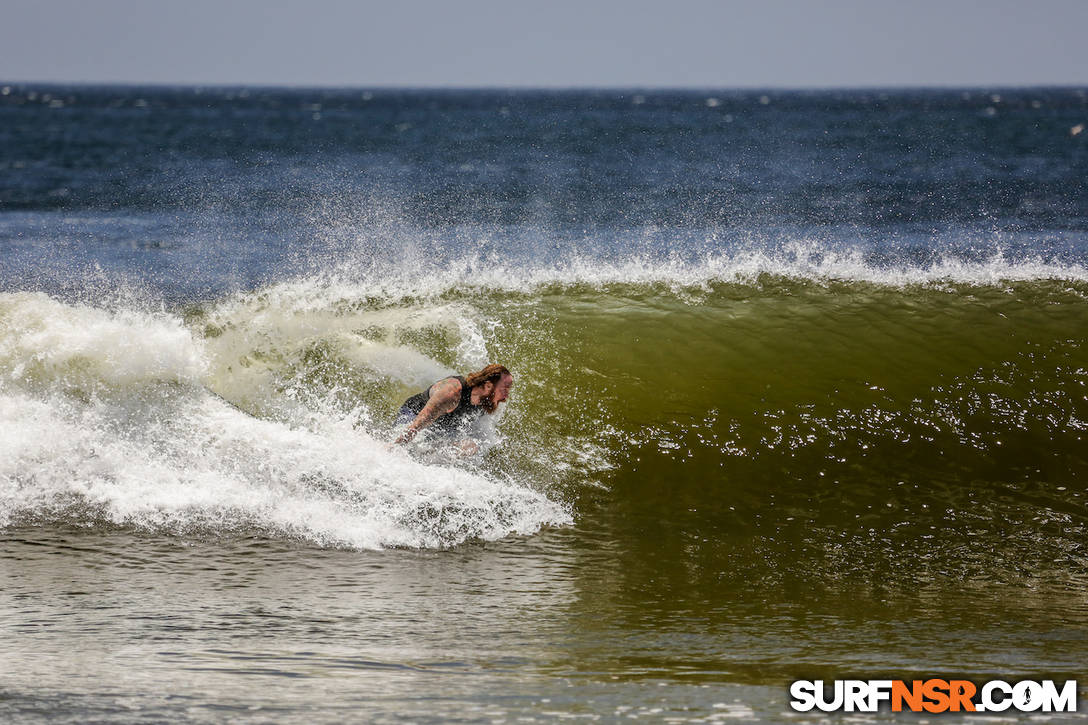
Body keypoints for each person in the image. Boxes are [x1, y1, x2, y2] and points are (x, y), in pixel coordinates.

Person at [393, 364, 513, 448]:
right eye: (504, 389)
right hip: (413, 416)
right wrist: (392, 449)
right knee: (406, 447)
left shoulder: (486, 402)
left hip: (439, 427)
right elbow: (415, 426)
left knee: (470, 447)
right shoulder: (452, 392)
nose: (506, 395)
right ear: (488, 386)